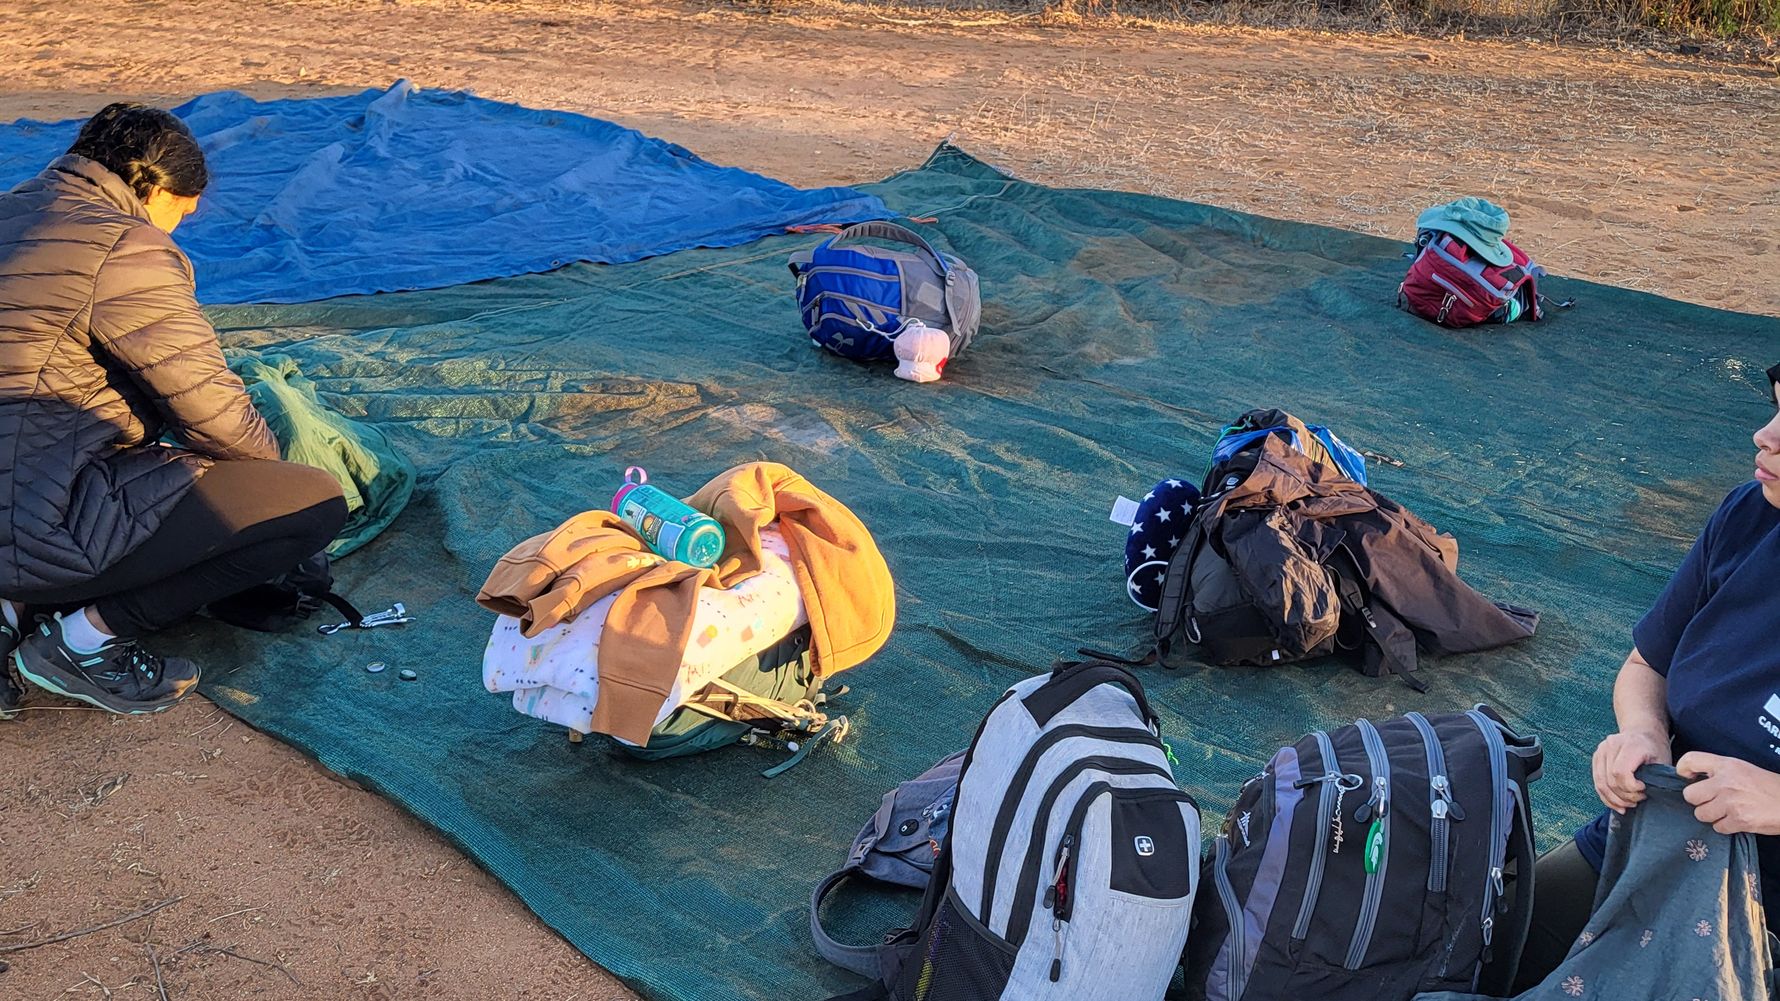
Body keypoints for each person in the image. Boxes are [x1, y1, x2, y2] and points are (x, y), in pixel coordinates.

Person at [0, 103, 347, 717]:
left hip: (22, 490)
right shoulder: (124, 247)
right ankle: (83, 642)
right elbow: (212, 413)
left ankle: (8, 612)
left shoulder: (12, 209)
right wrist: (279, 502)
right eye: (181, 213)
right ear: (152, 187)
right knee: (311, 503)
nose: (177, 229)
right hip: (29, 527)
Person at [1512, 361, 1780, 988]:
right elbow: (1647, 664)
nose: (1764, 436)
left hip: (1765, 906)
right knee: (1477, 937)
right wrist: (1644, 735)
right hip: (1661, 843)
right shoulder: (1750, 517)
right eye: (1775, 407)